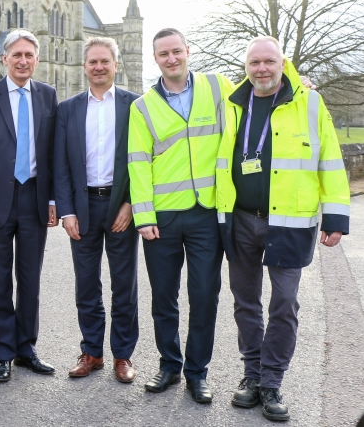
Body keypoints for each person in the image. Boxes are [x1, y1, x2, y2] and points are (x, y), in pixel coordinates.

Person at [215, 36, 349, 422]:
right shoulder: (231, 102)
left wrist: (337, 218)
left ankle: (272, 381)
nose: (262, 69)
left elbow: (329, 158)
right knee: (245, 302)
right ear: (245, 67)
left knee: (285, 303)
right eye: (254, 62)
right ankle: (252, 376)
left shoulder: (309, 101)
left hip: (289, 222)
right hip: (241, 218)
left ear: (282, 63)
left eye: (269, 61)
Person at [127, 28, 233, 403]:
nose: (171, 59)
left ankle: (197, 373)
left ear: (188, 51)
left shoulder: (218, 86)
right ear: (154, 59)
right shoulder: (141, 107)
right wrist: (143, 215)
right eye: (163, 54)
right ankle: (169, 366)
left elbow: (261, 85)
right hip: (163, 217)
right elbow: (137, 164)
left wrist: (295, 79)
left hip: (207, 213)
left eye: (176, 51)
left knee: (205, 295)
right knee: (163, 297)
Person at [0, 29, 59, 383]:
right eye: (16, 55)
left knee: (30, 279)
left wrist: (52, 200)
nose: (23, 61)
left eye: (29, 56)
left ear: (36, 59)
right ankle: (2, 352)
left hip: (34, 198)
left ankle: (26, 349)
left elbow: (53, 155)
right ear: (4, 59)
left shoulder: (48, 96)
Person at [54, 37, 140, 383]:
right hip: (83, 205)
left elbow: (145, 160)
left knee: (124, 285)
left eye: (105, 61)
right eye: (93, 62)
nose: (99, 67)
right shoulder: (69, 108)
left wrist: (132, 204)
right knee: (86, 284)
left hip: (121, 205)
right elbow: (59, 164)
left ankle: (123, 356)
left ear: (116, 65)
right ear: (84, 66)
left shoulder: (136, 106)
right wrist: (67, 211)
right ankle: (92, 352)